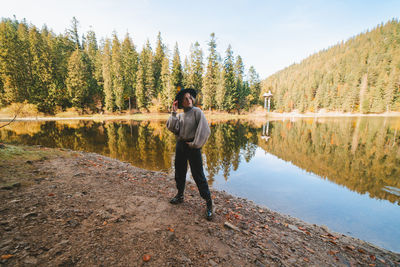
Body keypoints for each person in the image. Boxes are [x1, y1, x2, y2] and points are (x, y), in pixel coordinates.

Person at [166, 88, 213, 220]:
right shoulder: (180, 115)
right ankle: (180, 195)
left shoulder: (197, 112)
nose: (189, 100)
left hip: (193, 147)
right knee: (179, 172)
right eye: (186, 98)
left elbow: (205, 130)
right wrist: (173, 113)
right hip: (180, 146)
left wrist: (195, 144)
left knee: (198, 175)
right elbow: (171, 127)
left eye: (190, 97)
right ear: (182, 102)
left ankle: (209, 203)